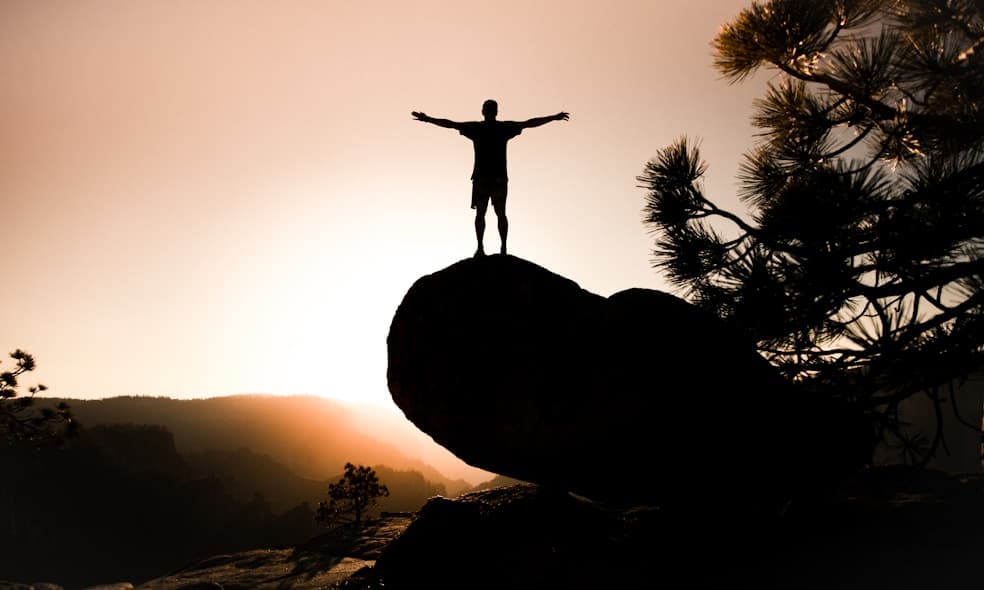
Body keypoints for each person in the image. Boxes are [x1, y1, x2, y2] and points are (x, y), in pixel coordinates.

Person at [412, 100, 569, 256]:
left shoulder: (477, 128)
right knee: (500, 213)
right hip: (498, 178)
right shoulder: (503, 128)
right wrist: (553, 117)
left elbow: (451, 124)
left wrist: (428, 119)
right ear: (496, 112)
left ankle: (481, 248)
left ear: (483, 111)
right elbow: (529, 123)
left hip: (482, 178)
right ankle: (503, 248)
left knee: (481, 213)